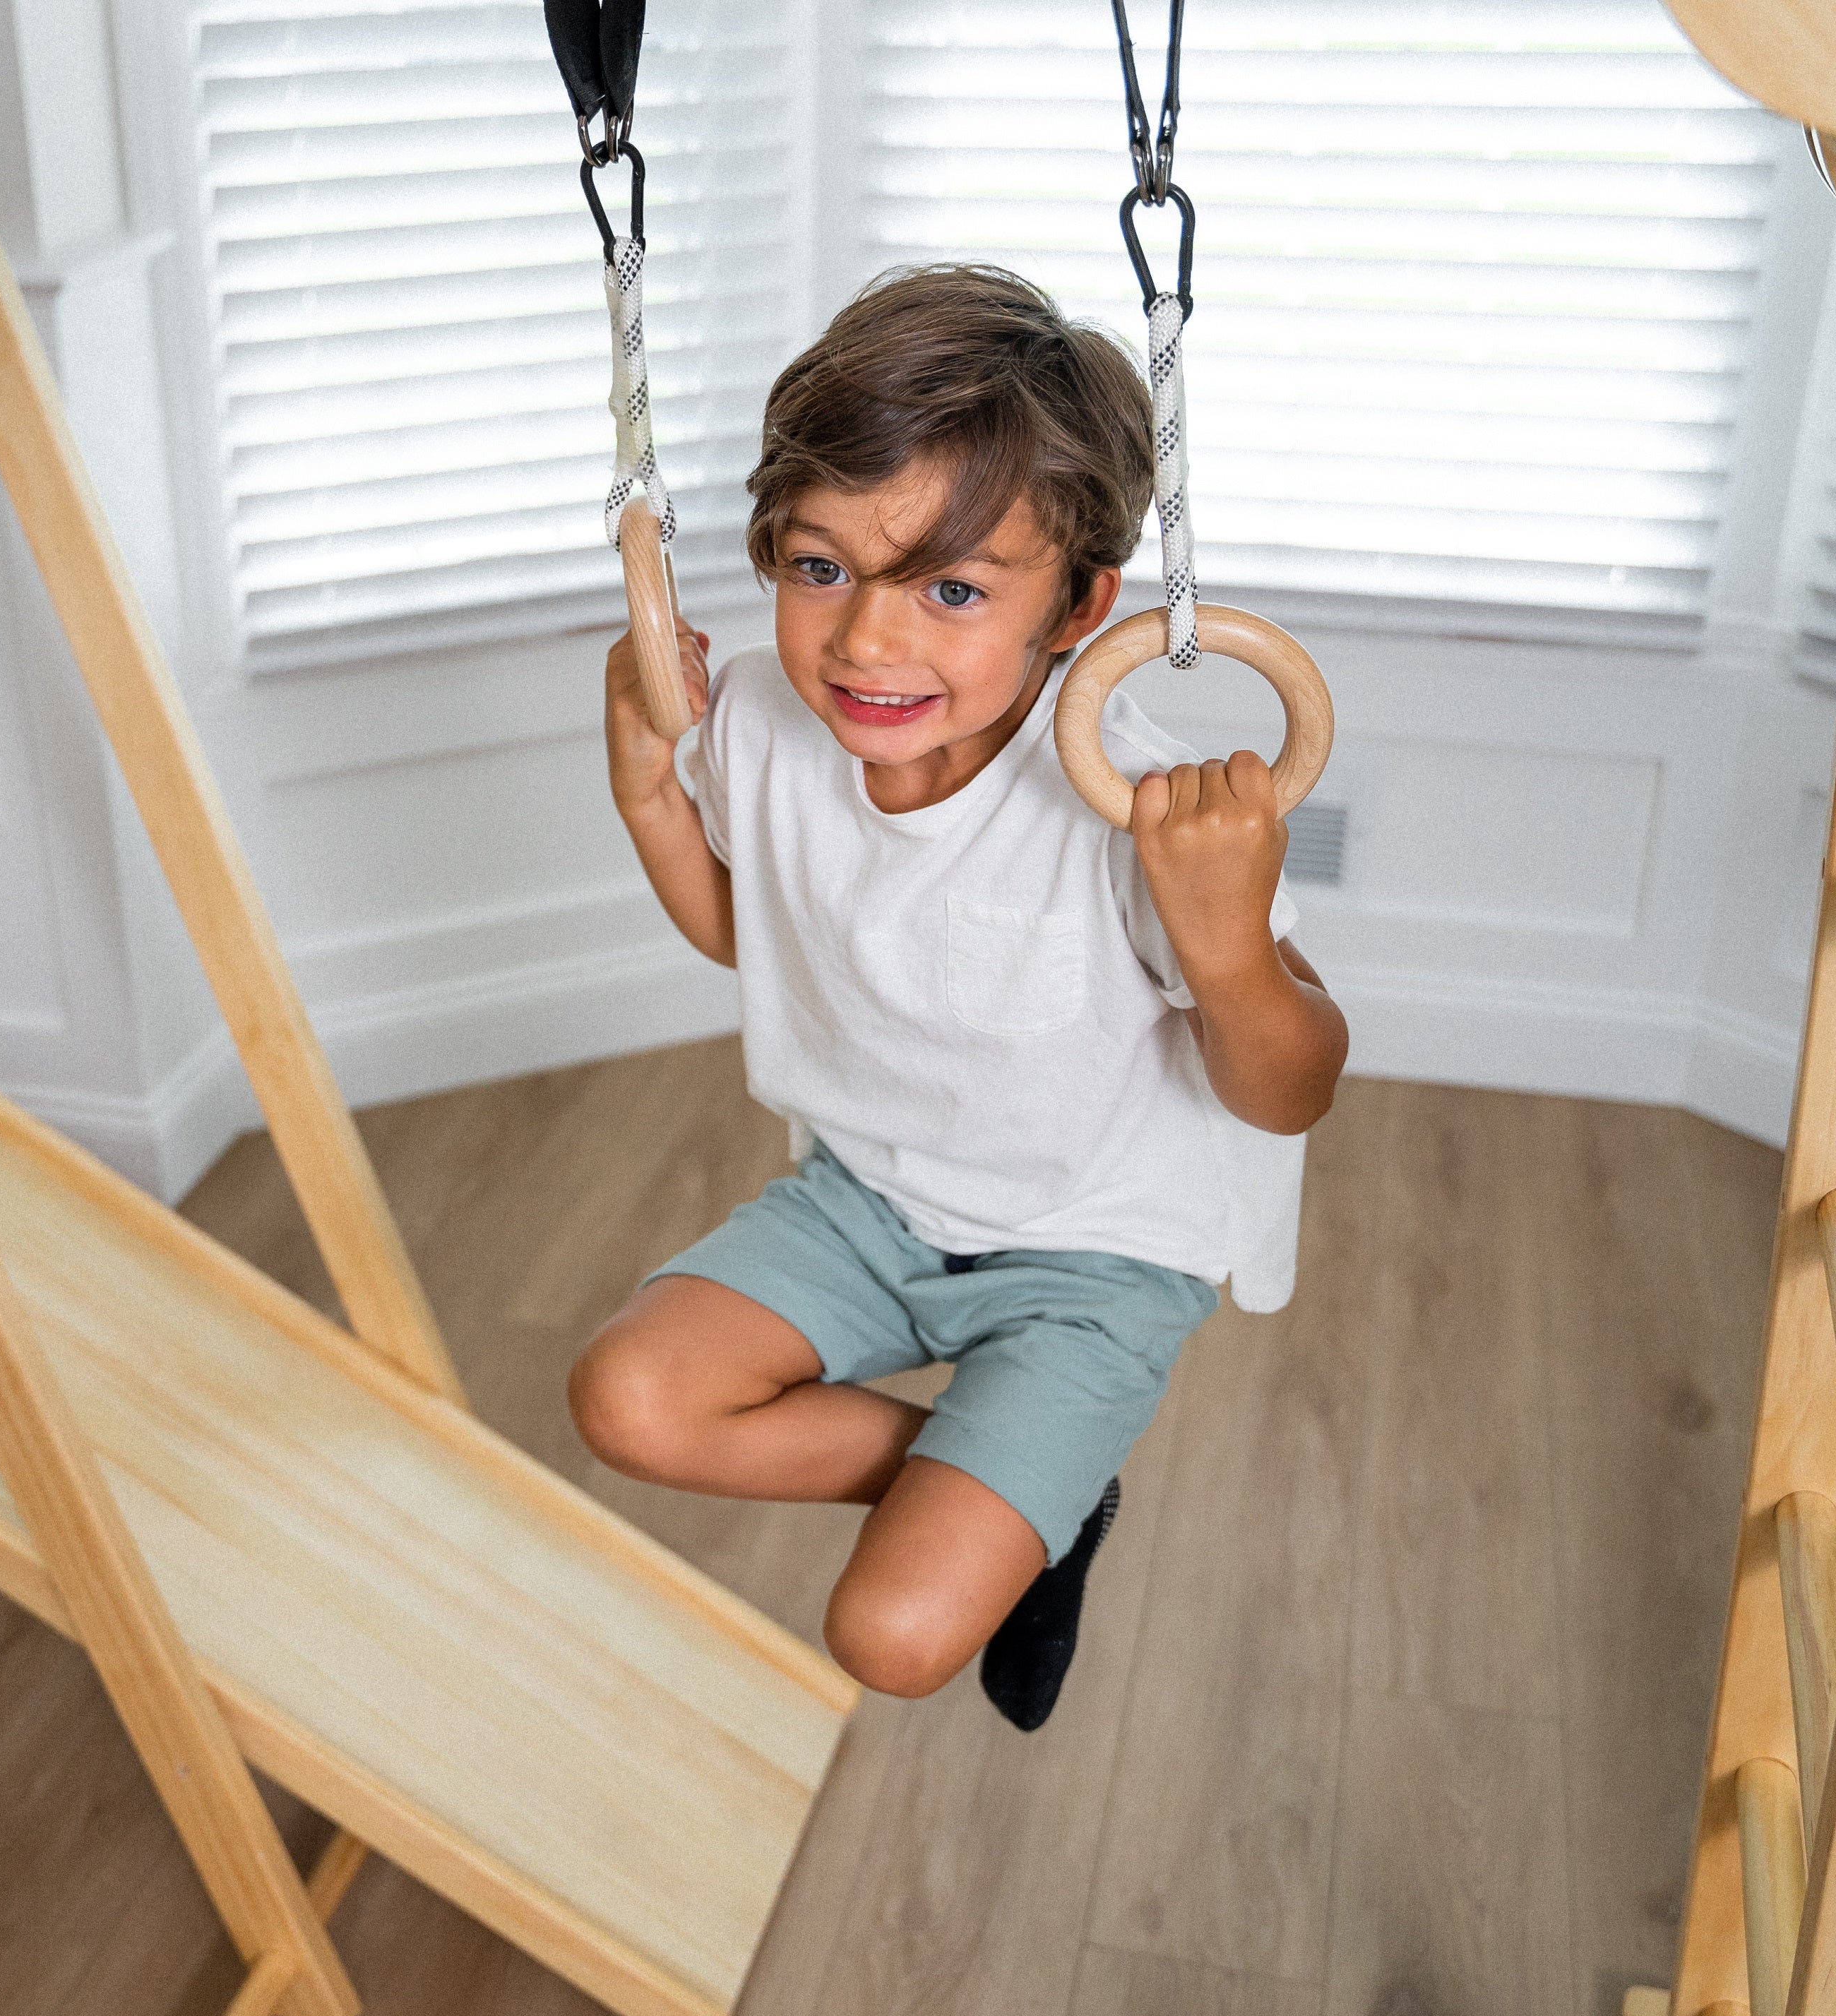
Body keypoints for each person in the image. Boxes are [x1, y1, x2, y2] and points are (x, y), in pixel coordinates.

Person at [568, 264, 1348, 1730]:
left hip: (1096, 1251)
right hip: (872, 1201)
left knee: (892, 1638)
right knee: (630, 1400)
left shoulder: (1129, 804)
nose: (867, 642)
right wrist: (648, 794)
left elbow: (1290, 1088)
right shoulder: (767, 728)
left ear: (1081, 606)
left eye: (952, 590)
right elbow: (754, 939)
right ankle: (1013, 1486)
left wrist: (1229, 945)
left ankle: (1025, 1488)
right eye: (820, 570)